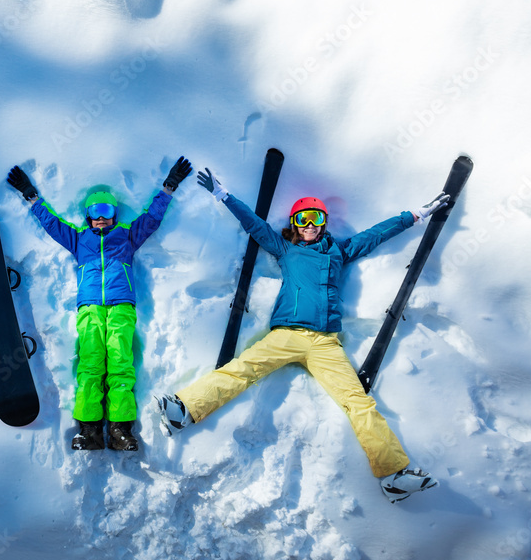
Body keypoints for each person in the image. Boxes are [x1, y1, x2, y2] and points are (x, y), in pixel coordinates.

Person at [155, 164, 449, 502]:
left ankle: (393, 476)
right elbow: (255, 225)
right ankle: (183, 411)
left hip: (325, 343)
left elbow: (376, 234)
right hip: (286, 335)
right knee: (241, 370)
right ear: (295, 223)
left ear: (324, 224)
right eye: (304, 219)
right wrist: (223, 195)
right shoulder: (286, 249)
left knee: (358, 402)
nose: (310, 226)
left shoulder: (340, 251)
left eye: (317, 219)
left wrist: (415, 215)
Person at [7, 158, 192, 451]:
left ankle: (120, 429)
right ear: (88, 216)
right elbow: (53, 225)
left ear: (114, 214)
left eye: (106, 211)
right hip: (90, 308)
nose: (101, 217)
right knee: (90, 364)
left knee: (120, 363)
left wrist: (168, 188)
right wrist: (31, 196)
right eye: (95, 212)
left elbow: (151, 219)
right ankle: (89, 429)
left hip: (121, 307)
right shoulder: (80, 240)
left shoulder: (127, 236)